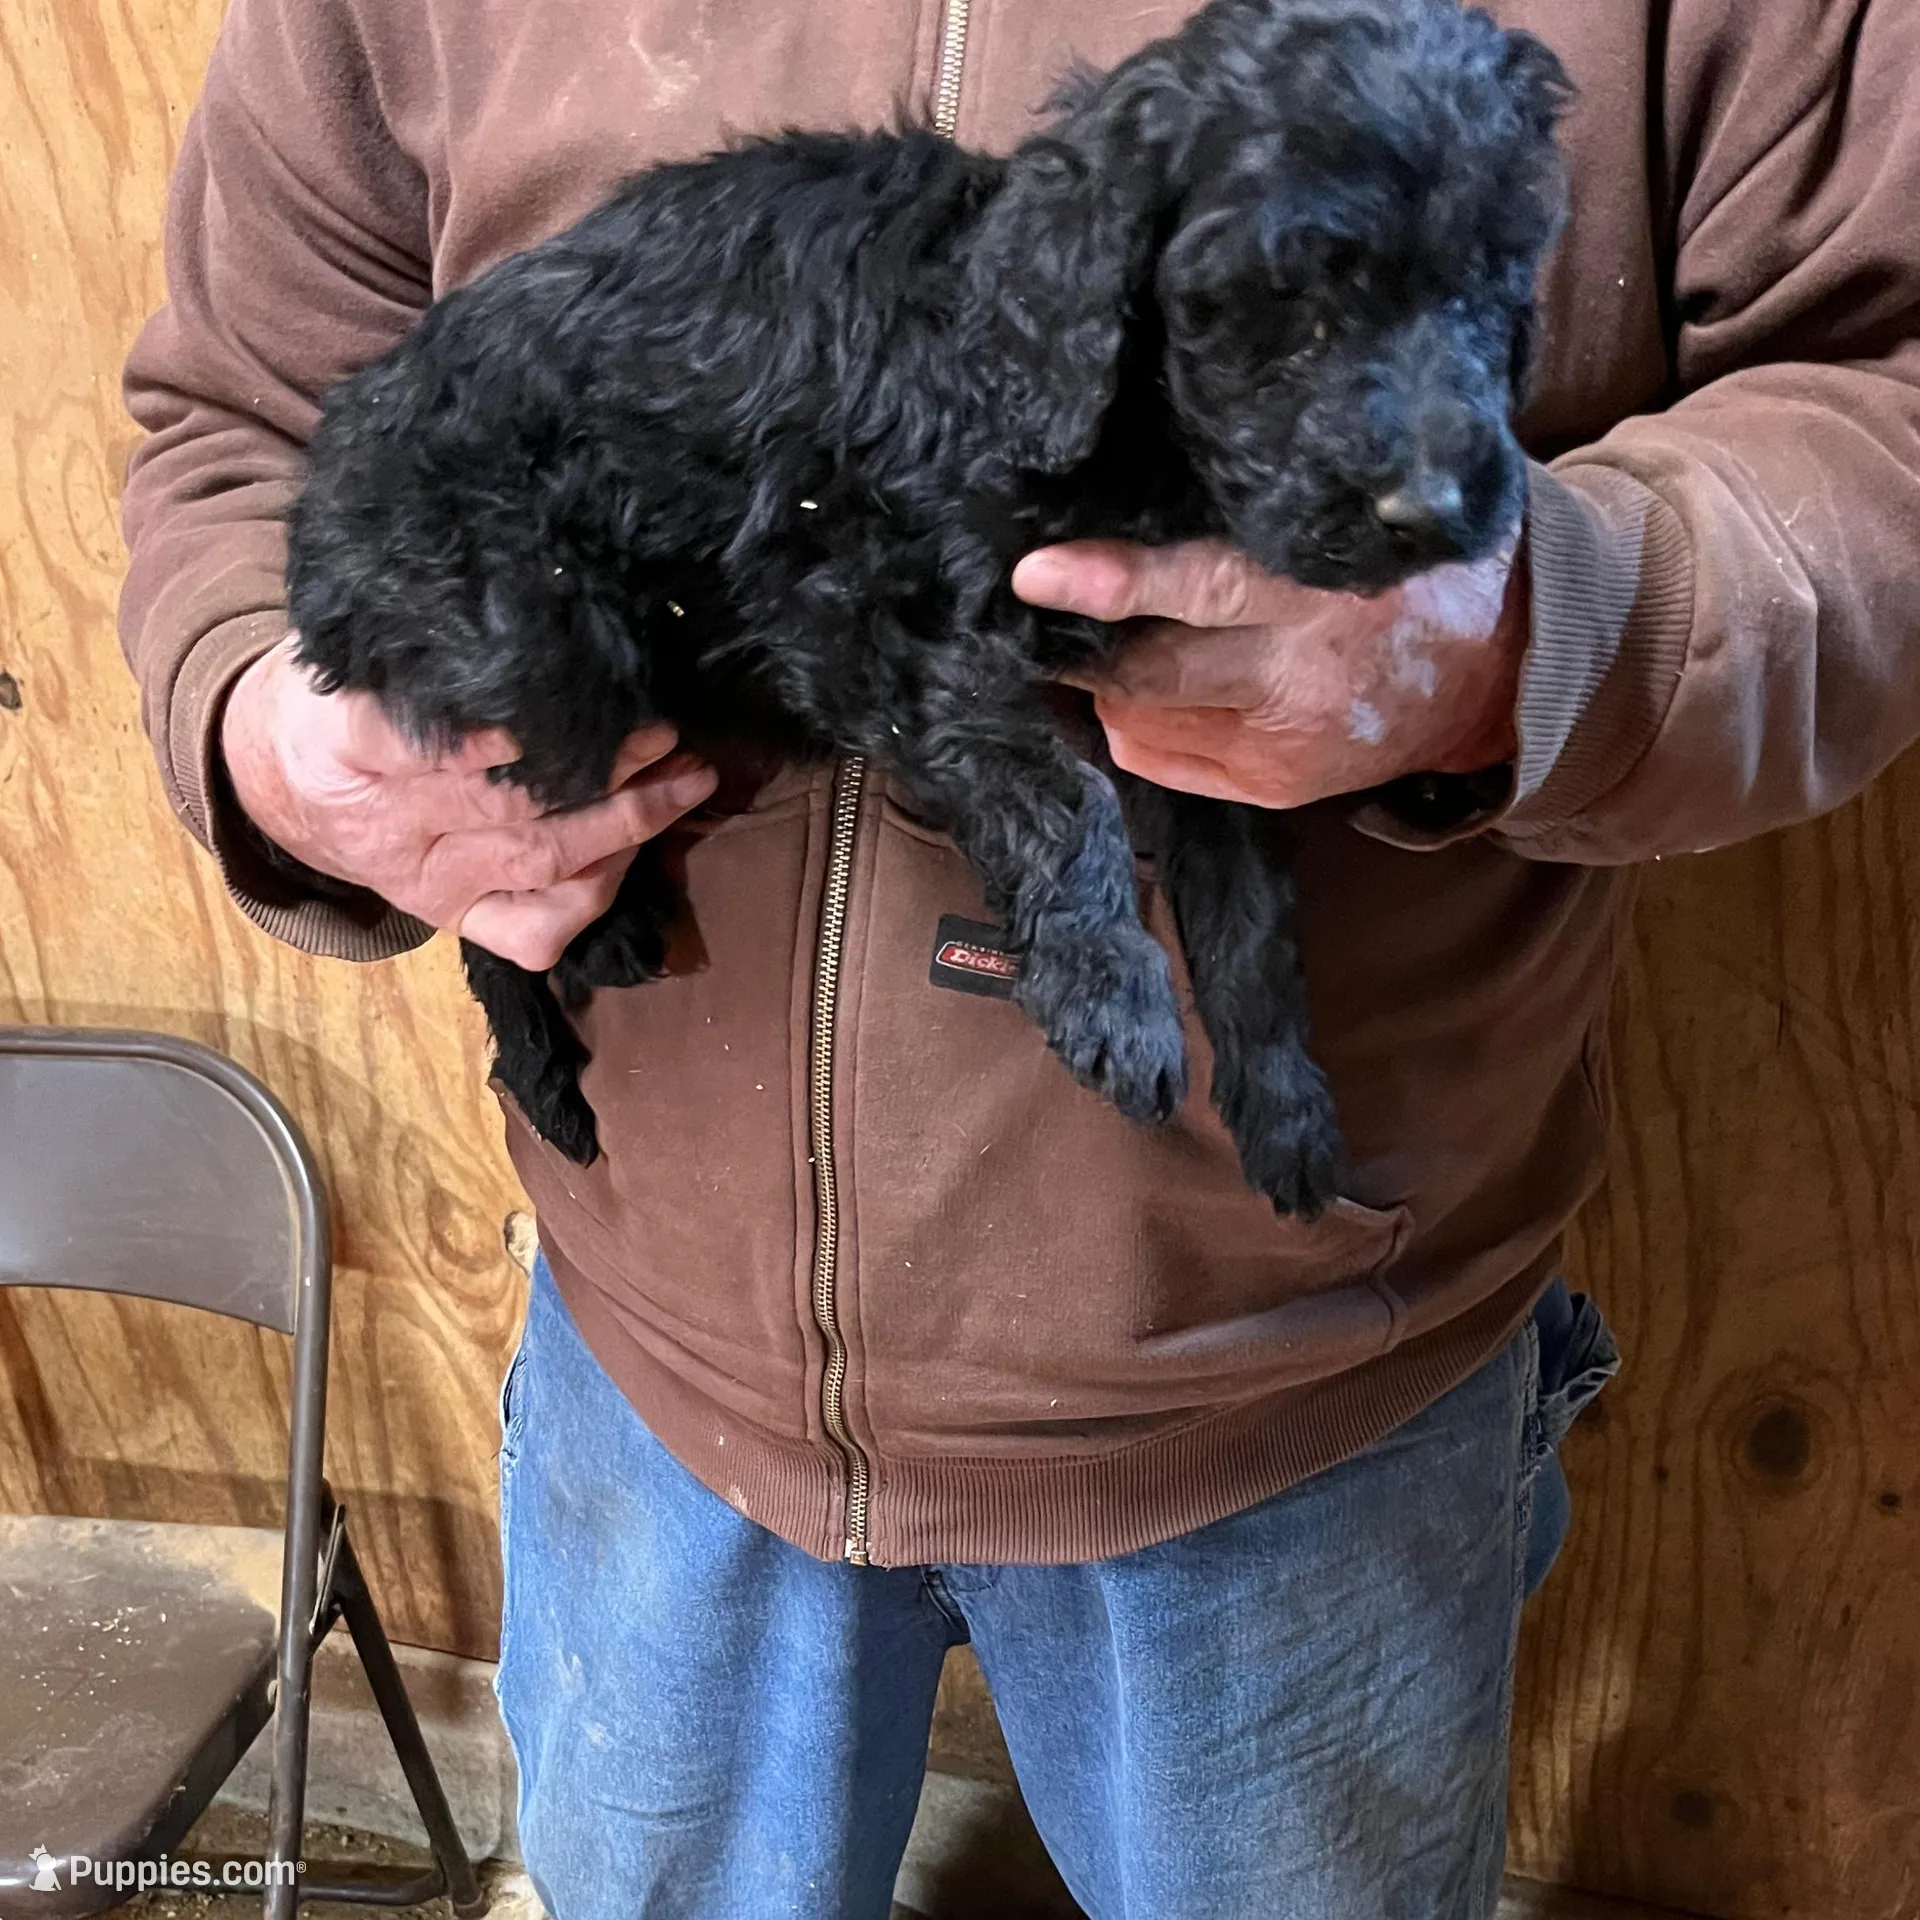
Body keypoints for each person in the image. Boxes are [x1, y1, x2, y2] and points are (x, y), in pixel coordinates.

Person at [118, 0, 1920, 1914]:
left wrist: (1534, 634)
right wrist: (274, 732)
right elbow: (245, 410)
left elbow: (1883, 398)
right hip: (653, 1354)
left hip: (1295, 1371)